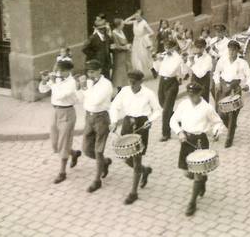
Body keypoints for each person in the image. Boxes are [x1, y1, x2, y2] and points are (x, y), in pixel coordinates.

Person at [169, 83, 226, 216]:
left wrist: (217, 131)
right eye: (189, 94)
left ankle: (192, 202)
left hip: (200, 141)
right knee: (186, 172)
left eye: (193, 94)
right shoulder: (183, 104)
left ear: (200, 93)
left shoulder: (207, 108)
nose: (191, 97)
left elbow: (218, 122)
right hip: (186, 141)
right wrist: (179, 132)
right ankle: (202, 180)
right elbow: (173, 120)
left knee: (197, 173)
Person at [109, 70, 162, 205]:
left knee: (137, 159)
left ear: (141, 82)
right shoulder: (125, 91)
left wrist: (150, 120)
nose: (132, 85)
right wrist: (114, 121)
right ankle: (144, 171)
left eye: (134, 83)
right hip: (128, 123)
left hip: (142, 125)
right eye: (130, 82)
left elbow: (158, 110)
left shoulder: (148, 93)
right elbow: (114, 106)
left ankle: (134, 193)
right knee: (126, 158)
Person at [38, 60, 82, 184]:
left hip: (67, 112)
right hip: (55, 111)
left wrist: (51, 82)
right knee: (55, 144)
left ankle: (62, 172)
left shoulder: (72, 82)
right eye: (57, 70)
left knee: (63, 142)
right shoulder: (57, 79)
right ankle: (73, 153)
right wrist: (44, 80)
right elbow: (42, 89)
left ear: (69, 71)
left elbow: (59, 95)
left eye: (61, 70)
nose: (58, 72)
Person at [77, 59, 114, 193]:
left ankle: (97, 180)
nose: (90, 74)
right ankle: (104, 162)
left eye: (92, 72)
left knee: (98, 151)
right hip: (89, 117)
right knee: (86, 149)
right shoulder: (88, 83)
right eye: (88, 72)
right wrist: (80, 88)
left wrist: (84, 88)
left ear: (99, 70)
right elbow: (80, 99)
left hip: (101, 118)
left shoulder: (106, 84)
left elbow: (95, 100)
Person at [213, 40, 250, 148]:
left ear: (237, 51)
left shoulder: (242, 63)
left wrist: (247, 85)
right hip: (222, 87)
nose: (231, 52)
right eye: (230, 50)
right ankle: (232, 127)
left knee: (232, 114)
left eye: (234, 50)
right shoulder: (222, 60)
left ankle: (229, 138)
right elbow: (216, 73)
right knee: (221, 113)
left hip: (235, 88)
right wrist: (217, 83)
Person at [154, 40, 183, 142]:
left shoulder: (177, 58)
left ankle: (165, 133)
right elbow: (157, 70)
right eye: (166, 47)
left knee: (166, 110)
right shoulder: (165, 55)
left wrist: (162, 61)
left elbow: (170, 71)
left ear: (174, 47)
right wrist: (157, 60)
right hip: (162, 81)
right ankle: (179, 120)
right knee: (162, 104)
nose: (167, 49)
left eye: (169, 47)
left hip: (172, 83)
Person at [125, 10, 154, 78]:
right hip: (135, 42)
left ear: (142, 16)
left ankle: (152, 69)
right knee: (136, 58)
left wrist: (146, 36)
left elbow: (152, 32)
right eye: (136, 16)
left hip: (142, 41)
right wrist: (132, 16)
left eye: (138, 16)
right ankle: (140, 74)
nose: (137, 17)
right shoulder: (134, 22)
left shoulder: (144, 23)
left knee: (144, 57)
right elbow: (125, 22)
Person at [82, 14, 112, 80]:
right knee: (97, 79)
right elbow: (84, 48)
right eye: (100, 29)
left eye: (104, 29)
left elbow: (109, 47)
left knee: (106, 79)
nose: (102, 31)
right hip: (97, 62)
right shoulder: (93, 38)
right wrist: (93, 55)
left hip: (106, 63)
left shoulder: (107, 37)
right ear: (97, 29)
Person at [187, 38, 213, 102]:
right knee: (193, 102)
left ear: (204, 47)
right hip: (194, 81)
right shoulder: (194, 57)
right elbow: (186, 70)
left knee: (203, 102)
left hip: (203, 82)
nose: (198, 49)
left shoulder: (208, 58)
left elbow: (200, 74)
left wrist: (192, 63)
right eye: (197, 47)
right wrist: (185, 61)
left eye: (200, 47)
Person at [111, 18, 132, 91]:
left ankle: (125, 86)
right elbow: (116, 46)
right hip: (119, 56)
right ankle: (119, 88)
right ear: (118, 25)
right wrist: (125, 47)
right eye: (122, 24)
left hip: (125, 54)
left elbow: (125, 41)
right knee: (119, 71)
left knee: (126, 70)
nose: (123, 26)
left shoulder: (121, 32)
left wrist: (128, 46)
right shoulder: (114, 33)